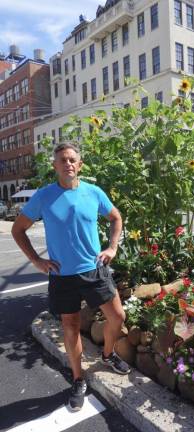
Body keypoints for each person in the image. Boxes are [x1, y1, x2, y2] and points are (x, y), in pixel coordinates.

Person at [11, 143, 130, 411]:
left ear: (80, 164)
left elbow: (115, 217)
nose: (68, 164)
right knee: (71, 327)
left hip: (94, 270)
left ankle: (108, 354)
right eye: (62, 160)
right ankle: (78, 379)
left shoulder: (93, 192)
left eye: (72, 160)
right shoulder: (43, 196)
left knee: (117, 317)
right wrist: (36, 260)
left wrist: (112, 247)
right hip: (62, 276)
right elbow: (18, 230)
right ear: (55, 166)